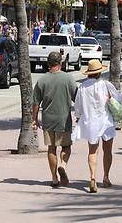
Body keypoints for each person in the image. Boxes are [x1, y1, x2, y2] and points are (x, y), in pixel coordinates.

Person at [72, 59, 119, 193]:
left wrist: (79, 117)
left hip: (90, 122)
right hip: (106, 121)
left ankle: (92, 176)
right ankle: (106, 177)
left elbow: (78, 107)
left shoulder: (82, 87)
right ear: (99, 73)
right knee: (107, 150)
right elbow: (118, 99)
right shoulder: (106, 84)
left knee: (92, 151)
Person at [32, 51, 78, 188]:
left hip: (48, 119)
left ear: (48, 63)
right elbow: (77, 98)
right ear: (61, 63)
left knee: (51, 148)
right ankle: (63, 165)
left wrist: (34, 119)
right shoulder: (68, 79)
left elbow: (35, 103)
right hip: (64, 119)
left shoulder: (42, 80)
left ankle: (54, 178)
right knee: (66, 146)